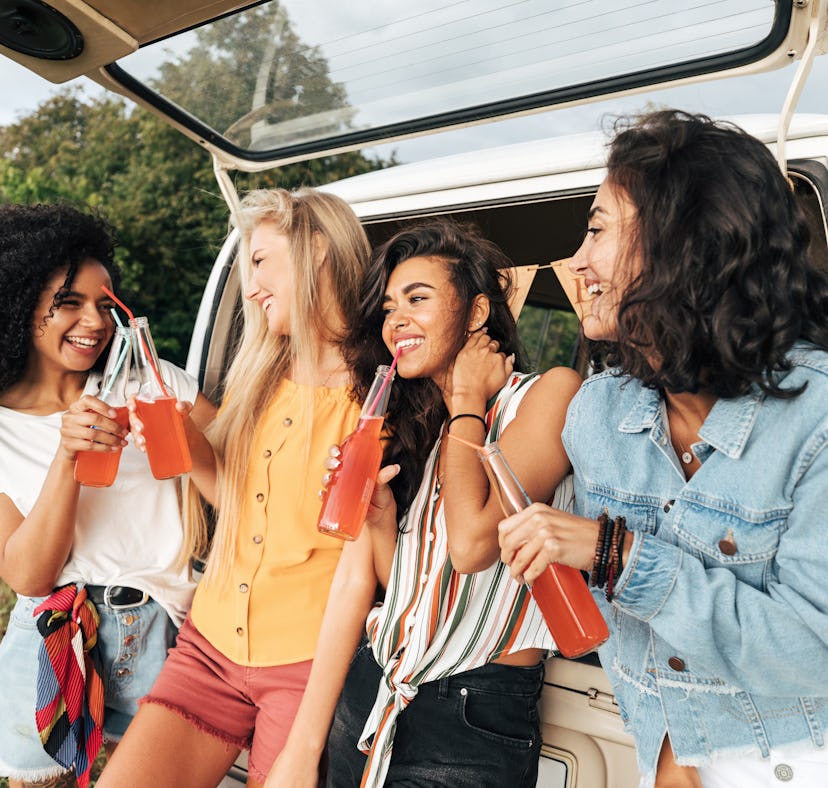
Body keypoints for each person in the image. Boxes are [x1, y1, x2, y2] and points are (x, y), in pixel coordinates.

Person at [498, 110, 828, 788]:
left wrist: (619, 554)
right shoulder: (597, 414)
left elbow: (813, 652)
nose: (578, 262)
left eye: (596, 230)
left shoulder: (816, 418)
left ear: (686, 244)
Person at [265, 219, 582, 788]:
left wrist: (467, 398)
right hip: (375, 687)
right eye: (389, 308)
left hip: (472, 713)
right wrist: (382, 520)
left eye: (417, 299)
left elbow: (472, 546)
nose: (396, 320)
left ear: (477, 312)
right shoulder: (430, 431)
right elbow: (415, 592)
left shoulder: (549, 393)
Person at [96, 187, 372, 788]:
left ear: (317, 248)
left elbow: (361, 572)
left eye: (260, 260)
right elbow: (239, 503)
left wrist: (306, 745)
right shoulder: (262, 376)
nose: (250, 289)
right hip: (209, 646)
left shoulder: (377, 398)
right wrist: (190, 448)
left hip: (305, 669)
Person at [0, 203, 215, 788]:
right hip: (51, 635)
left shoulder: (155, 384)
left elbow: (247, 482)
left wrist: (188, 437)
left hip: (162, 631)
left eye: (104, 304)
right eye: (69, 302)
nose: (94, 321)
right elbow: (29, 576)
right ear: (19, 303)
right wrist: (67, 457)